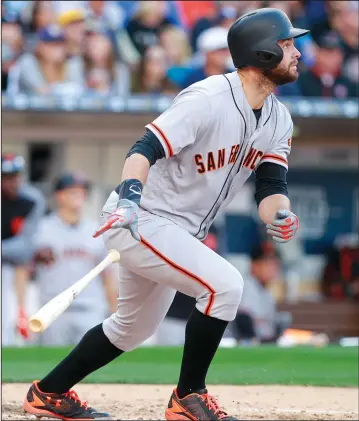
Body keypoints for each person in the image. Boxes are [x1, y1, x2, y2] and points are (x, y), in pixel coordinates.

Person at [24, 8, 304, 420]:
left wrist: (280, 215)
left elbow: (270, 188)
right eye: (287, 44)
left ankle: (47, 392)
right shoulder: (208, 98)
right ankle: (189, 396)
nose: (297, 52)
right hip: (140, 217)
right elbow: (144, 149)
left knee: (131, 329)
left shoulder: (279, 118)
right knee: (225, 286)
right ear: (262, 53)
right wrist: (130, 200)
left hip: (178, 232)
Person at [30, 173, 119, 346]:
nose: (79, 196)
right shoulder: (42, 229)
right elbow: (26, 268)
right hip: (53, 310)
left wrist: (114, 309)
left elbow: (107, 274)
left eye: (82, 192)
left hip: (90, 308)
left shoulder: (97, 230)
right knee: (51, 363)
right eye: (72, 192)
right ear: (59, 196)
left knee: (91, 363)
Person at [1, 153, 46, 346]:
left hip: (16, 270)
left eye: (16, 176)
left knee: (15, 325)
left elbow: (27, 246)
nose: (12, 182)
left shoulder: (31, 200)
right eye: (6, 177)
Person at [233, 242, 292, 344]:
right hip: (239, 345)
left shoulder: (266, 292)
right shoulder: (245, 286)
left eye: (276, 263)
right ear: (253, 264)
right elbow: (243, 321)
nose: (273, 267)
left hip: (261, 343)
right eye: (268, 262)